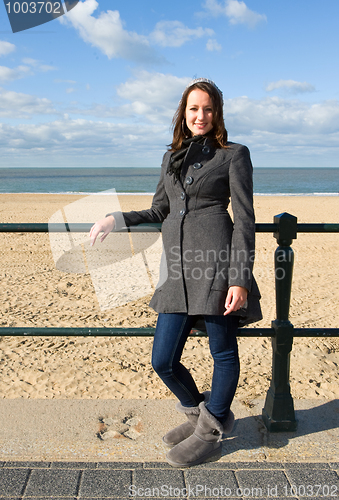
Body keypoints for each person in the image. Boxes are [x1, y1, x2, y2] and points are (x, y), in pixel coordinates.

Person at [89, 77, 262, 467]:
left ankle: (210, 431)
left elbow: (245, 219)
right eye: (193, 109)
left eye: (207, 108)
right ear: (183, 114)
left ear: (217, 113)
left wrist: (238, 277)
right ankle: (198, 412)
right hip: (176, 270)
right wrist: (116, 219)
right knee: (163, 359)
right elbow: (159, 210)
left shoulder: (233, 154)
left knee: (222, 350)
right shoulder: (171, 157)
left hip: (215, 263)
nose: (200, 115)